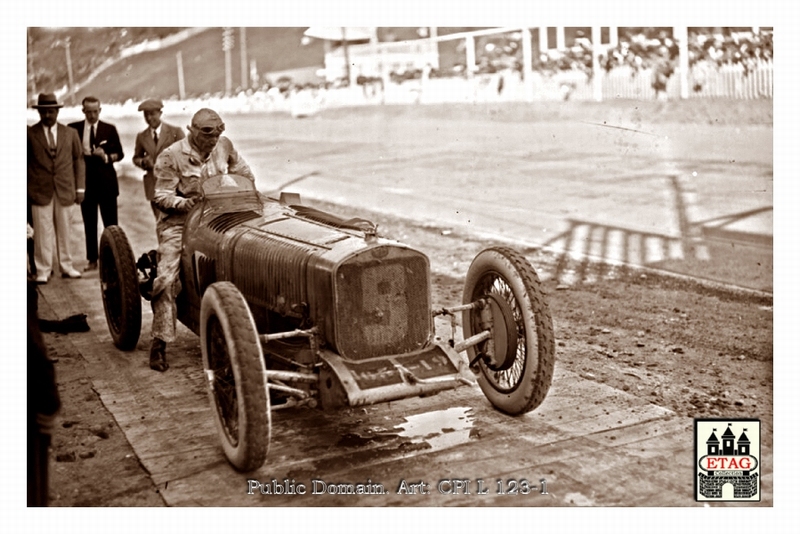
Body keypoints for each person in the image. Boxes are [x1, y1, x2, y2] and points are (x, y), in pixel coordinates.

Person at [148, 108, 255, 371]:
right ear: (192, 132)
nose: (213, 142)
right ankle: (160, 342)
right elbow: (160, 196)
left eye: (217, 136)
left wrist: (242, 191)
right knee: (167, 276)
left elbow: (245, 174)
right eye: (208, 137)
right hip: (179, 223)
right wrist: (184, 203)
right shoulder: (171, 156)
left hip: (219, 216)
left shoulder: (224, 145)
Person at [27, 92, 86, 283]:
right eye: (43, 112)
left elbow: (79, 160)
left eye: (50, 112)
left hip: (65, 189)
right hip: (39, 190)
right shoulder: (29, 134)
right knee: (42, 232)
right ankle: (43, 270)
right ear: (39, 113)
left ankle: (67, 266)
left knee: (65, 230)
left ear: (57, 112)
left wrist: (80, 189)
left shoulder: (70, 134)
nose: (47, 116)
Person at [69, 96, 124, 272]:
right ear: (83, 111)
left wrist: (106, 157)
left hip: (107, 183)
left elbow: (120, 154)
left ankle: (113, 261)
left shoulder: (109, 129)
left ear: (100, 111)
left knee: (111, 225)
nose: (92, 115)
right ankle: (92, 260)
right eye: (89, 111)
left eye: (95, 111)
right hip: (86, 183)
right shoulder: (74, 129)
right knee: (89, 224)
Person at [132, 99, 185, 219]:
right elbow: (136, 158)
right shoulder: (142, 136)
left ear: (160, 113)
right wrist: (143, 162)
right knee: (161, 223)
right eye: (146, 115)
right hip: (154, 187)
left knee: (179, 224)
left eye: (152, 114)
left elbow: (187, 155)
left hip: (175, 187)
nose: (149, 118)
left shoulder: (175, 132)